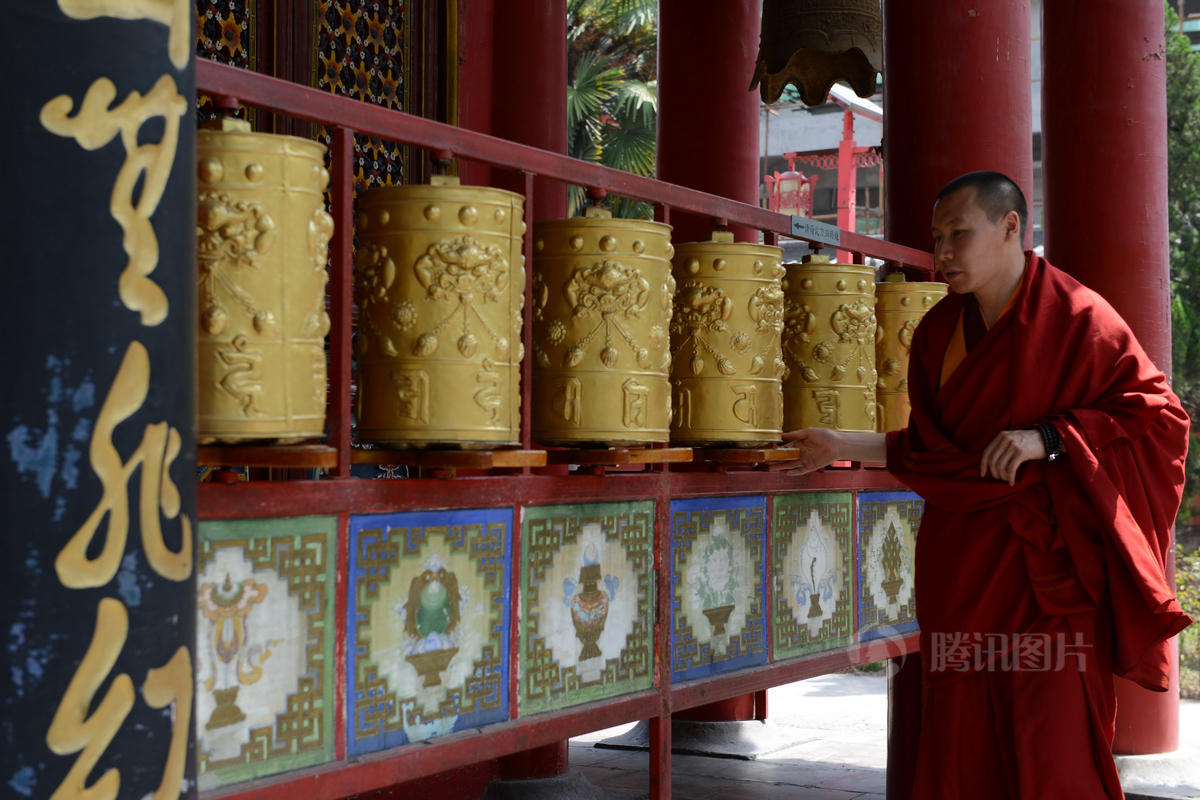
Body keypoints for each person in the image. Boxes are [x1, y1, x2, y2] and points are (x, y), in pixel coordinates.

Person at [784, 171, 1192, 799]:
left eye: (958, 234)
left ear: (1011, 229)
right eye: (936, 237)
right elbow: (930, 453)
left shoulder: (1077, 317)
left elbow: (1157, 415)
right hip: (961, 567)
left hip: (1048, 578)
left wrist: (1051, 438)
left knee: (1052, 742)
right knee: (960, 732)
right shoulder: (938, 335)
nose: (942, 252)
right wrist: (839, 446)